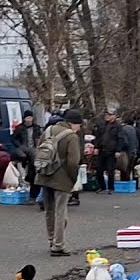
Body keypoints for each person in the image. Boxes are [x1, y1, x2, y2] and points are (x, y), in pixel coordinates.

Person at [37, 109, 84, 256]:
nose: (79, 128)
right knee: (60, 212)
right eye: (79, 125)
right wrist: (73, 179)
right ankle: (58, 246)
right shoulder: (71, 137)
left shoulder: (48, 130)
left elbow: (38, 149)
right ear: (72, 123)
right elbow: (73, 162)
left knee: (49, 211)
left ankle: (52, 240)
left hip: (44, 174)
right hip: (61, 179)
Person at [11, 111, 44, 200]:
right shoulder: (20, 128)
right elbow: (13, 138)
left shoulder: (36, 128)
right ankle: (30, 188)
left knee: (33, 172)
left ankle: (33, 193)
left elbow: (40, 138)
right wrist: (20, 146)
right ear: (24, 118)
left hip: (35, 151)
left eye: (30, 117)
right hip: (24, 151)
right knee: (29, 170)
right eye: (27, 118)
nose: (29, 119)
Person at [94, 110, 126, 193]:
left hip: (111, 150)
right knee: (99, 169)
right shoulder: (102, 125)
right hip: (102, 149)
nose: (107, 116)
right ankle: (102, 186)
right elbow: (98, 136)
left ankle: (111, 187)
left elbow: (120, 138)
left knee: (110, 170)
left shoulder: (118, 126)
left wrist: (118, 150)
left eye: (110, 115)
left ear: (114, 116)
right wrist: (96, 147)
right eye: (106, 115)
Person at [119, 114, 139, 182]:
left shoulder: (123, 129)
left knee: (124, 168)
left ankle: (124, 182)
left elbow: (125, 142)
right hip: (133, 150)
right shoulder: (133, 129)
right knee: (130, 167)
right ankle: (129, 182)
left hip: (126, 151)